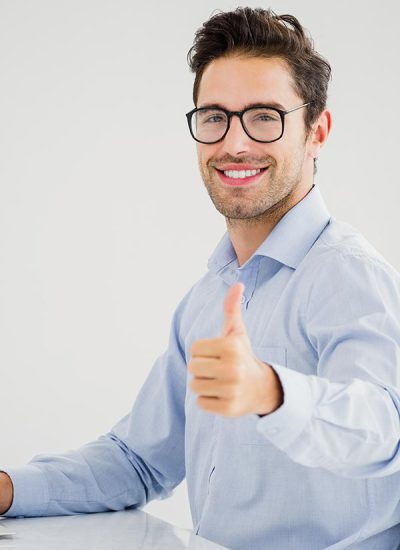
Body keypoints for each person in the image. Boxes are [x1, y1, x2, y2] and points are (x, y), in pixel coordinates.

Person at [1, 7, 400, 549]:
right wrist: (6, 490)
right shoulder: (208, 300)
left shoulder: (347, 275)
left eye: (264, 116)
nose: (234, 144)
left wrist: (272, 392)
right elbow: (138, 461)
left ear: (317, 132)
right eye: (214, 116)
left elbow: (382, 432)